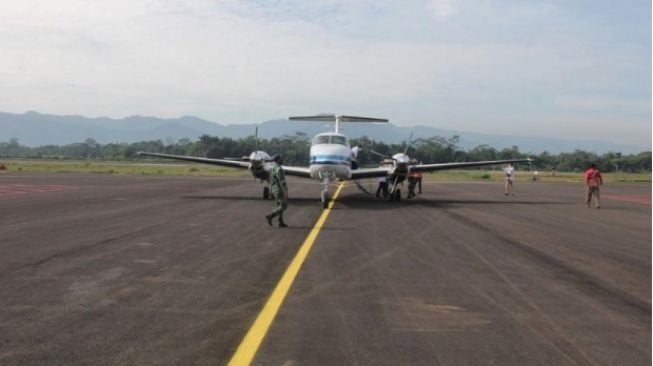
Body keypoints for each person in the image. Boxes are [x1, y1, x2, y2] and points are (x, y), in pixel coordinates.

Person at [265, 155, 289, 227]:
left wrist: (271, 190)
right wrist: (285, 192)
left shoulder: (273, 169)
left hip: (274, 189)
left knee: (279, 205)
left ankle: (280, 222)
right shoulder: (279, 169)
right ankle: (270, 216)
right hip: (279, 190)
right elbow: (282, 182)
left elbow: (270, 180)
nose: (282, 160)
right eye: (280, 159)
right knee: (284, 206)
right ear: (277, 160)